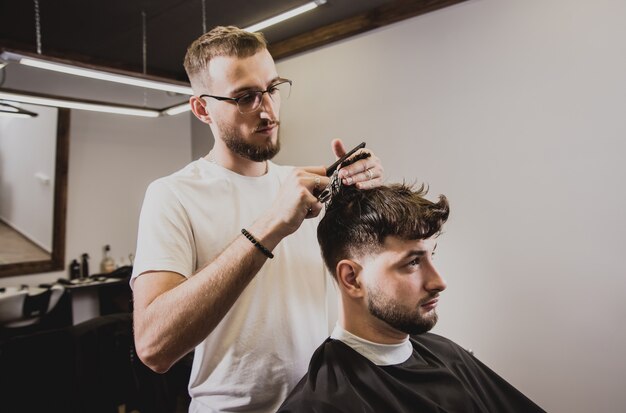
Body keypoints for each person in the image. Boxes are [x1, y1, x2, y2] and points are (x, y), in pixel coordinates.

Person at [130, 26, 384, 413]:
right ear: (202, 109)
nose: (267, 110)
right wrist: (270, 226)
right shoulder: (172, 195)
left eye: (272, 88)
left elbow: (365, 283)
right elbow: (153, 347)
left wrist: (369, 196)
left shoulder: (304, 186)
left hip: (316, 405)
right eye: (245, 97)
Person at [278, 183, 546, 412]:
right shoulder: (318, 404)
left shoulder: (448, 354)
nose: (439, 282)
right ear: (352, 278)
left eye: (432, 255)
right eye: (413, 262)